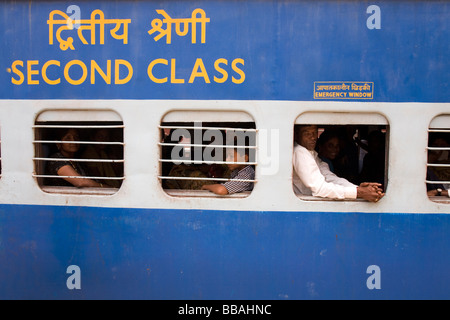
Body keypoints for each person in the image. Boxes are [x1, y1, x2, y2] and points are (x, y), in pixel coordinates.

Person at [293, 125, 384, 202]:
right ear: (297, 135)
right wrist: (359, 192)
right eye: (307, 134)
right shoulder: (300, 152)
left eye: (314, 133)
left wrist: (357, 189)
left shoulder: (311, 153)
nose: (312, 137)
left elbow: (329, 176)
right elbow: (320, 189)